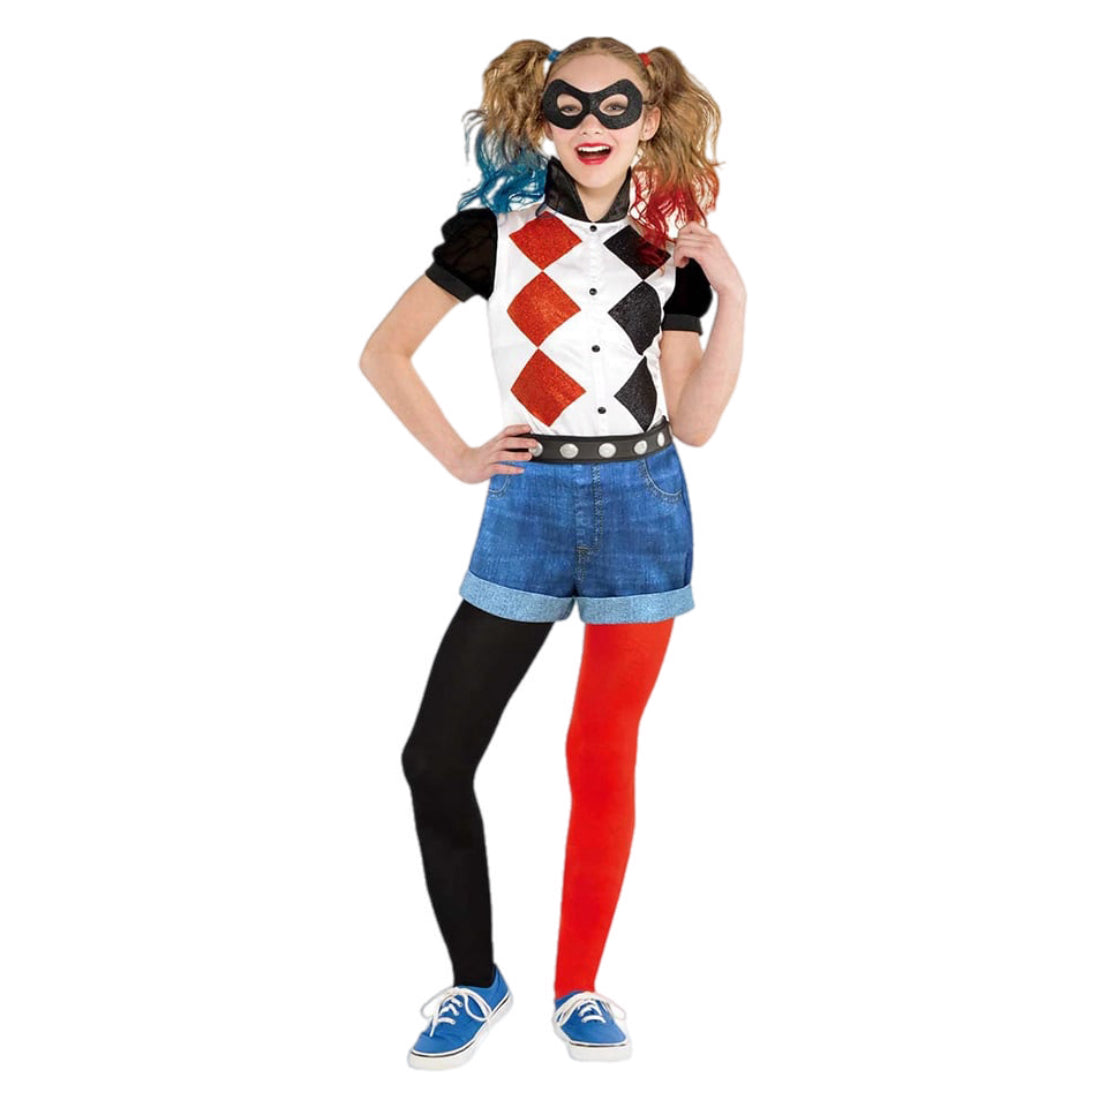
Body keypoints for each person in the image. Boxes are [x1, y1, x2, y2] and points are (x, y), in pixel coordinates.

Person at [359, 36, 746, 1068]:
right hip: (526, 501)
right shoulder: (493, 233)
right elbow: (383, 352)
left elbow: (696, 422)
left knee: (599, 753)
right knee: (434, 757)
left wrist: (734, 298)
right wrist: (459, 457)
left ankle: (578, 989)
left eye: (615, 107)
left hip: (643, 504)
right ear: (541, 120)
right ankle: (474, 981)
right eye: (568, 107)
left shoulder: (669, 245)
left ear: (647, 120)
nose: (591, 126)